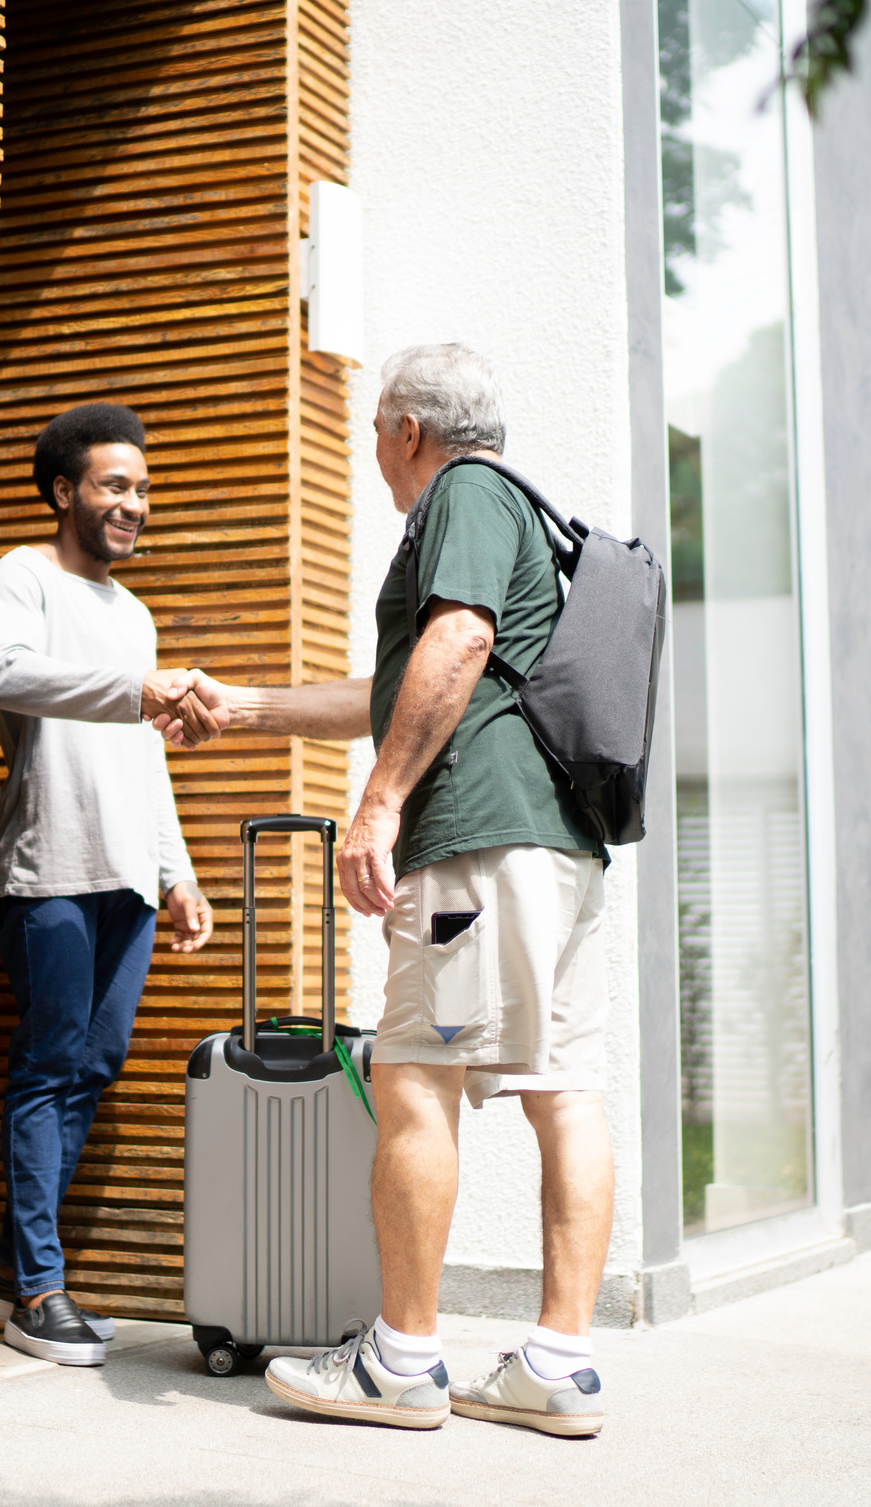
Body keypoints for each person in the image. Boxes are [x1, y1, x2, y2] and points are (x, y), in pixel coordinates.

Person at [163, 344, 613, 1436]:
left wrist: (379, 805)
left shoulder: (462, 492)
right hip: (555, 844)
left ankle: (403, 1358)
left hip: (472, 842)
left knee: (413, 1072)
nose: (371, 450)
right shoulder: (526, 512)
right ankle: (557, 1362)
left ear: (409, 429)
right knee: (564, 1086)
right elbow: (409, 683)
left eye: (373, 429)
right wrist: (249, 708)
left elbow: (455, 640)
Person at [0, 401, 224, 1368]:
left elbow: (146, 758)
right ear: (63, 491)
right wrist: (137, 690)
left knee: (94, 1067)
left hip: (127, 874)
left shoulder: (135, 615)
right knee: (48, 1067)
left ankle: (13, 1275)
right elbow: (8, 676)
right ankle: (39, 1292)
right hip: (49, 868)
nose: (134, 505)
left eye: (142, 489)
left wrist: (178, 873)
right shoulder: (23, 576)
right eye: (115, 486)